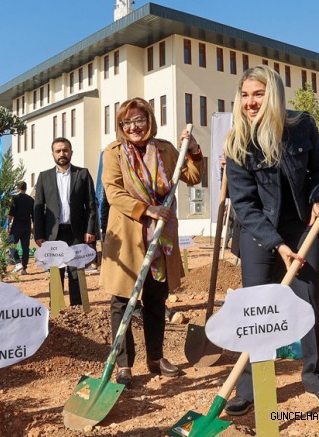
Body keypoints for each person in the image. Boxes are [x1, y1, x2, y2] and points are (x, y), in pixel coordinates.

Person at [223, 65, 319, 416]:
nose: (250, 102)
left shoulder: (302, 125)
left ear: (272, 93)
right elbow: (244, 205)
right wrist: (277, 244)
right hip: (260, 234)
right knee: (256, 310)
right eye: (245, 95)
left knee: (308, 304)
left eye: (258, 94)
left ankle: (316, 379)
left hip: (303, 228)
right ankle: (249, 388)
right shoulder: (237, 142)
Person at [99, 97, 202, 386]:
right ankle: (124, 365)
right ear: (120, 126)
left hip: (161, 240)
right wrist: (147, 209)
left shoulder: (167, 150)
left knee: (156, 300)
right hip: (127, 237)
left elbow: (193, 176)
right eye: (126, 122)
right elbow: (113, 193)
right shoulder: (113, 153)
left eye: (139, 120)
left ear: (149, 120)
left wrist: (193, 149)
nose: (133, 127)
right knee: (122, 302)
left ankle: (155, 358)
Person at [33, 137, 98, 305]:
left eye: (65, 150)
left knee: (77, 271)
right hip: (53, 233)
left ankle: (78, 308)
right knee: (56, 271)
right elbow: (38, 208)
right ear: (53, 154)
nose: (62, 154)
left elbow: (91, 205)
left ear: (71, 152)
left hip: (76, 232)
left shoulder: (82, 174)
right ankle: (57, 309)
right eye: (58, 151)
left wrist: (91, 230)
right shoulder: (44, 177)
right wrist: (39, 234)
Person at [7, 181, 34, 274]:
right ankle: (24, 269)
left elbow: (11, 214)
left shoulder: (15, 199)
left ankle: (18, 263)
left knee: (11, 243)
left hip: (17, 225)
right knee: (25, 247)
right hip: (27, 226)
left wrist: (7, 225)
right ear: (25, 188)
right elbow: (34, 215)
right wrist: (33, 227)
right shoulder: (31, 200)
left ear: (18, 188)